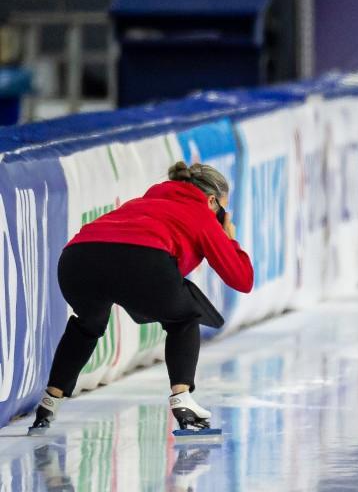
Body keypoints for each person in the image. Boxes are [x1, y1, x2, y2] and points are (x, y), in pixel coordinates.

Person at [29, 162, 254, 434]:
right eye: (222, 208)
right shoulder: (201, 214)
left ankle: (49, 403)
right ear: (211, 200)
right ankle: (182, 399)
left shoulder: (143, 202)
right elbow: (242, 280)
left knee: (87, 325)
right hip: (142, 260)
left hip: (77, 259)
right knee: (184, 317)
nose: (222, 214)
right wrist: (229, 239)